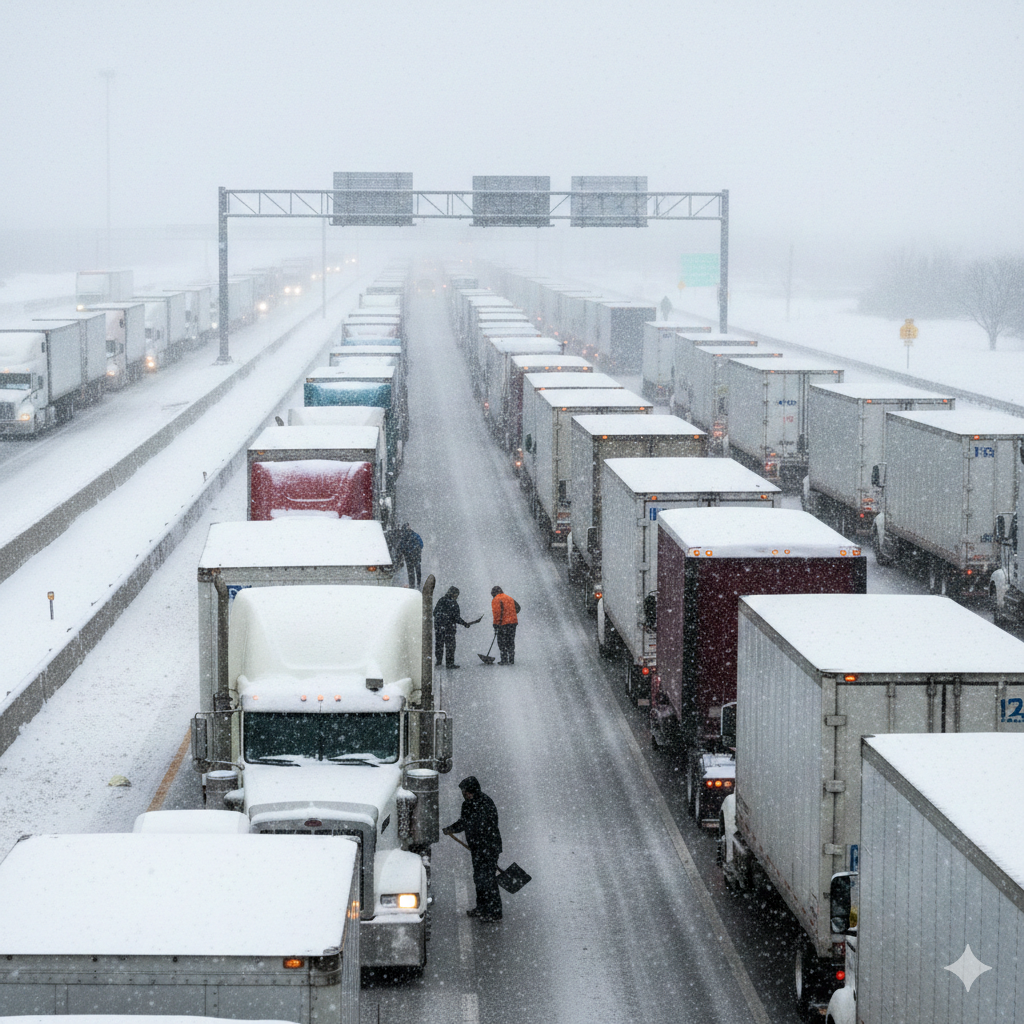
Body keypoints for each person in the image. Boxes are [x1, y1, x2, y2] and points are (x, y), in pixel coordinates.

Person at [443, 776, 503, 922]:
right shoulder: (468, 804)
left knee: (488, 879)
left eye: (467, 792)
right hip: (477, 848)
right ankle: (481, 908)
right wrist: (452, 828)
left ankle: (495, 912)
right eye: (464, 793)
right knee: (479, 878)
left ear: (473, 790)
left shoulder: (484, 803)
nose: (465, 795)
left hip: (488, 847)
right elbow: (465, 822)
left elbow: (473, 823)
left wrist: (483, 846)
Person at [432, 587, 479, 669]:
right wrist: (465, 624)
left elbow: (434, 613)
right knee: (450, 646)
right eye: (457, 594)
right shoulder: (453, 603)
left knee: (439, 644)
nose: (457, 596)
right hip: (449, 628)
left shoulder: (441, 600)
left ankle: (438, 661)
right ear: (453, 594)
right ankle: (449, 663)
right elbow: (456, 617)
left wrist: (440, 621)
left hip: (439, 627)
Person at [490, 586, 520, 665]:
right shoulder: (509, 598)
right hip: (513, 623)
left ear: (494, 593)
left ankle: (504, 659)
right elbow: (518, 608)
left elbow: (497, 613)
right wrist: (511, 614)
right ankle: (511, 659)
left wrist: (495, 624)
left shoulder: (496, 599)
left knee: (501, 641)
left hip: (502, 624)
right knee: (510, 640)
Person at [396, 523, 423, 588]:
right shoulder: (415, 535)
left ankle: (412, 585)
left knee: (411, 572)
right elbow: (421, 544)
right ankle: (418, 584)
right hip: (416, 556)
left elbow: (400, 547)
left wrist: (404, 552)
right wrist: (416, 550)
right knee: (417, 570)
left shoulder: (403, 538)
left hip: (408, 557)